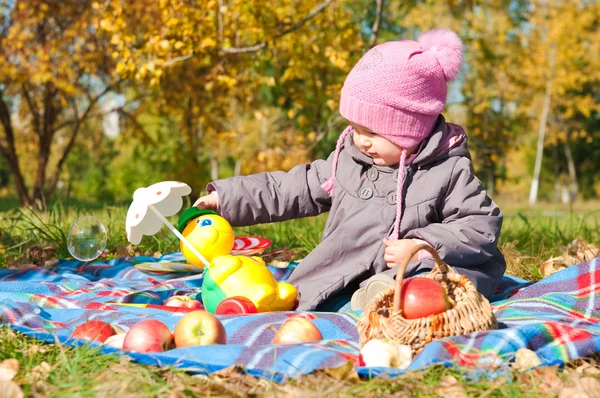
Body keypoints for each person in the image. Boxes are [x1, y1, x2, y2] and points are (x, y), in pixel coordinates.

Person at [193, 29, 506, 312]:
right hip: (348, 268)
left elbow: (480, 223)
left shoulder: (448, 170)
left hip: (419, 264)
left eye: (373, 131)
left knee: (443, 280)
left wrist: (424, 245)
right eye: (354, 128)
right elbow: (290, 187)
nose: (361, 141)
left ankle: (396, 296)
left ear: (411, 128)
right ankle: (370, 298)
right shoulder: (349, 160)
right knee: (319, 290)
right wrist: (227, 198)